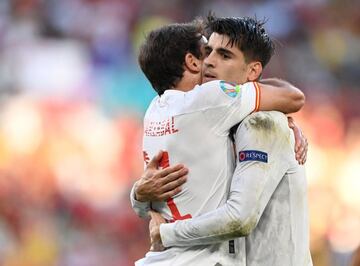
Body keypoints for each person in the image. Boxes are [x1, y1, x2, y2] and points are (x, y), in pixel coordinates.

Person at [132, 17, 306, 266]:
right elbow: (290, 96)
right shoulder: (212, 111)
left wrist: (145, 205)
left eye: (224, 55)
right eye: (207, 52)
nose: (210, 62)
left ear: (253, 71)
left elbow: (239, 218)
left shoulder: (259, 125)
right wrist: (139, 193)